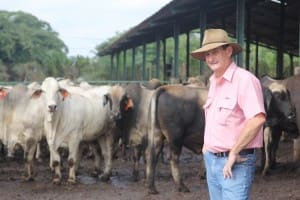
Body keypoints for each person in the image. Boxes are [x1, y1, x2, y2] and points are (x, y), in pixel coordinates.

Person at [191, 28, 266, 200]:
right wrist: (206, 149)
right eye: (207, 54)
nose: (210, 58)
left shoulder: (245, 80)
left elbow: (257, 119)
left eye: (215, 52)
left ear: (229, 51)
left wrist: (233, 152)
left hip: (236, 162)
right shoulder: (214, 81)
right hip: (212, 160)